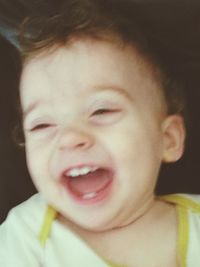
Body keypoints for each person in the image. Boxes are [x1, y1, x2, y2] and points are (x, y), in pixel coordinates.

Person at [0, 0, 200, 266]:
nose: (70, 138)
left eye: (102, 111)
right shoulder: (24, 234)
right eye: (42, 125)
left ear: (168, 139)